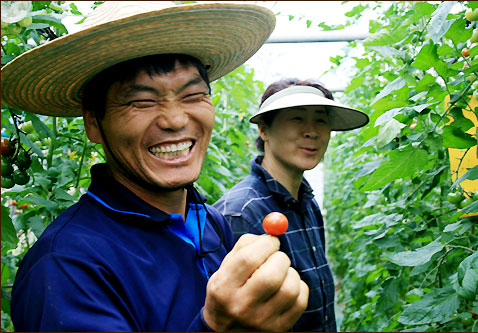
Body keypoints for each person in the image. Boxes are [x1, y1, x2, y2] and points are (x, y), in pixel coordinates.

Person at [2, 3, 309, 331]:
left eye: (193, 95)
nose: (176, 120)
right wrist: (219, 327)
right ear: (93, 122)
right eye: (142, 102)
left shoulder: (208, 222)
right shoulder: (65, 269)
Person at [214, 78, 369, 331]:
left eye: (321, 119)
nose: (312, 131)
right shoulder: (241, 213)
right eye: (297, 118)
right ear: (264, 129)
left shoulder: (306, 202)